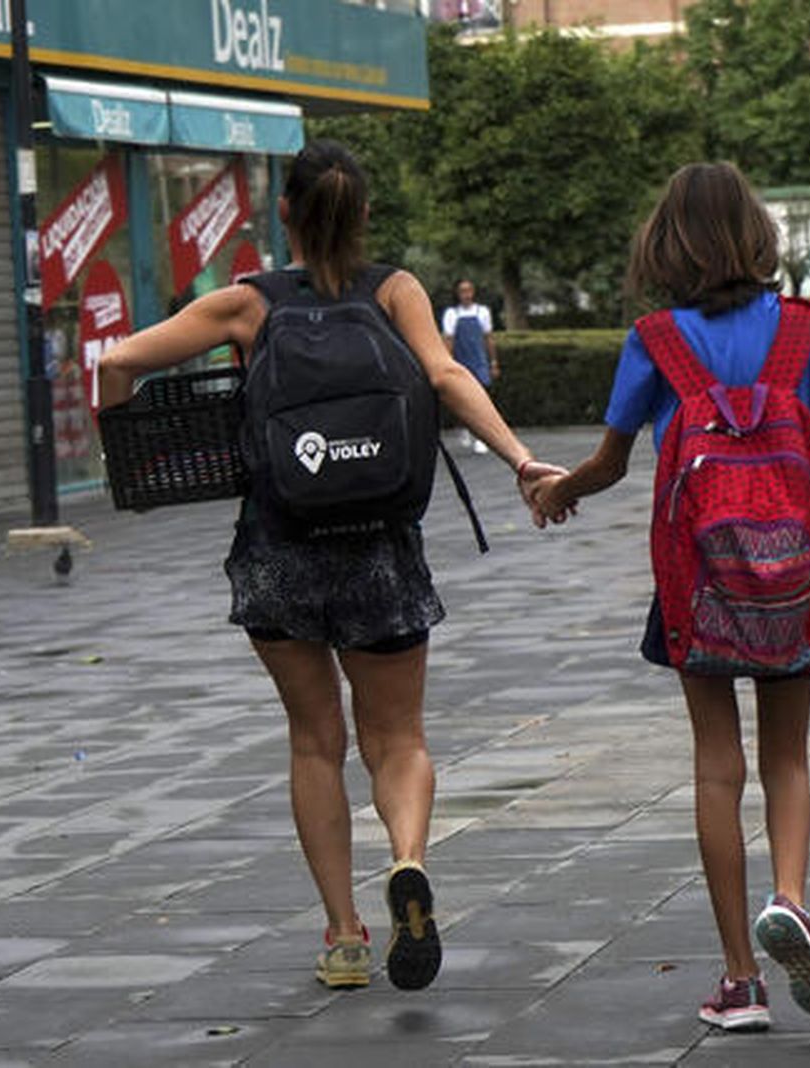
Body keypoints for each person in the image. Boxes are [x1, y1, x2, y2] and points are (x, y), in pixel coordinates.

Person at [97, 140, 564, 993]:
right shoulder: (396, 292)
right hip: (379, 549)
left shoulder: (248, 303)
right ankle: (408, 859)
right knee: (399, 739)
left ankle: (345, 936)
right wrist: (522, 460)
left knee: (316, 742)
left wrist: (126, 459)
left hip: (280, 552)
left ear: (285, 212)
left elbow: (118, 361)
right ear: (366, 215)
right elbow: (445, 374)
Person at [529, 162, 810, 1032]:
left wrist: (560, 490)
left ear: (666, 244)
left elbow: (610, 463)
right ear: (757, 234)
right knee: (788, 758)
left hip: (698, 581)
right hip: (793, 577)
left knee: (718, 763)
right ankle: (790, 899)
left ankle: (742, 982)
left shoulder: (656, 340)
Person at [441, 278, 498, 454]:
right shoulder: (452, 314)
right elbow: (448, 340)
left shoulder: (483, 312)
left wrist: (493, 362)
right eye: (462, 291)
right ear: (457, 294)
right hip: (461, 361)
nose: (466, 294)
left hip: (479, 361)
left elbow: (488, 338)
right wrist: (447, 363)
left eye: (469, 290)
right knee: (461, 399)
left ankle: (481, 437)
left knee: (482, 398)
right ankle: (464, 428)